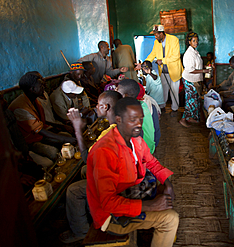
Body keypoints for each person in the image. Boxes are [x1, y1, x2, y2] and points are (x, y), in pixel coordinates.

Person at [86, 97, 179, 247]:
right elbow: (108, 203)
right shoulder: (104, 151)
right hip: (110, 215)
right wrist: (150, 206)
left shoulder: (134, 139)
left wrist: (167, 183)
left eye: (140, 119)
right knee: (171, 218)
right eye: (132, 119)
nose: (138, 124)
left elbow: (151, 162)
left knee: (163, 190)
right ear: (119, 119)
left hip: (129, 191)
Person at [59, 91, 122, 244]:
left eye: (98, 105)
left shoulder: (109, 133)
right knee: (83, 172)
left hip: (117, 180)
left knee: (73, 191)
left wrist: (77, 129)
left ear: (106, 107)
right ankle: (92, 209)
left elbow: (87, 158)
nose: (96, 107)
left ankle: (80, 231)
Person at [8, 72, 76, 162]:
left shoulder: (35, 100)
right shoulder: (21, 107)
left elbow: (41, 122)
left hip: (38, 135)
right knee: (53, 152)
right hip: (29, 141)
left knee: (66, 136)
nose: (43, 87)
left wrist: (62, 127)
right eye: (40, 86)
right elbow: (39, 130)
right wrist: (65, 139)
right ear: (32, 89)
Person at [136, 25, 183, 116]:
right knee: (163, 91)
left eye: (156, 34)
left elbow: (176, 56)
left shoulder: (174, 40)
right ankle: (162, 106)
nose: (155, 36)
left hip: (174, 71)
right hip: (163, 71)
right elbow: (152, 54)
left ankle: (174, 109)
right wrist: (143, 64)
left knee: (174, 91)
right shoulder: (156, 42)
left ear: (161, 33)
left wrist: (163, 61)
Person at [179, 32, 211, 128]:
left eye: (197, 40)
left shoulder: (195, 52)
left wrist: (206, 66)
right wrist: (204, 70)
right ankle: (183, 119)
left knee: (196, 99)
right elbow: (191, 70)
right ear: (189, 42)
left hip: (195, 79)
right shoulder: (189, 54)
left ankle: (191, 118)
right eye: (194, 41)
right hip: (189, 80)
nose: (196, 42)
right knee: (190, 101)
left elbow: (197, 65)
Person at [115, 79, 156, 153]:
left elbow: (138, 136)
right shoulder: (141, 105)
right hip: (149, 147)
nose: (115, 90)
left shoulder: (132, 112)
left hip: (143, 151)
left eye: (117, 89)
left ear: (125, 95)